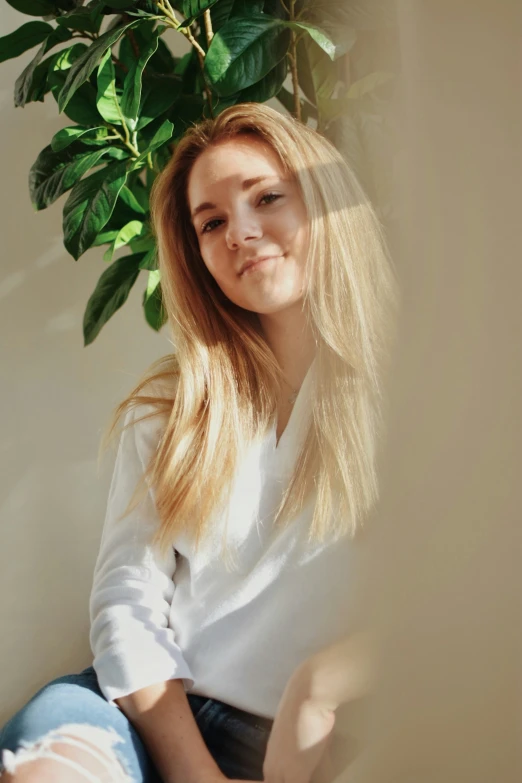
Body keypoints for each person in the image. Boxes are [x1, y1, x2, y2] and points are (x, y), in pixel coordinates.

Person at [0, 102, 397, 783]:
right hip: (142, 718)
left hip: (307, 743)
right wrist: (193, 772)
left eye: (266, 197)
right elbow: (125, 604)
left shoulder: (422, 396)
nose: (239, 232)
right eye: (211, 222)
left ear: (327, 205)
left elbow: (477, 593)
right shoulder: (171, 409)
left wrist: (321, 684)